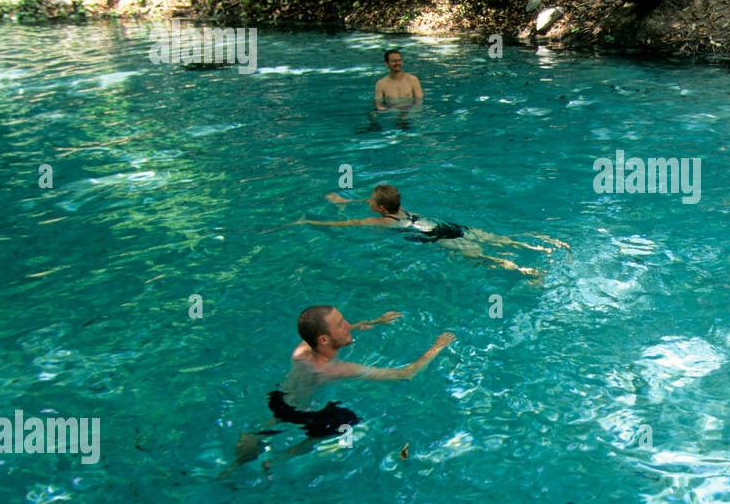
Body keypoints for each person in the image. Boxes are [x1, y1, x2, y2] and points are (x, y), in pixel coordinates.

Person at [222, 306, 454, 476]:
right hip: (312, 414)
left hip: (281, 400)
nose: (347, 325)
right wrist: (437, 347)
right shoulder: (335, 370)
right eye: (341, 324)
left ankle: (235, 465)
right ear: (324, 339)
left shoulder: (302, 350)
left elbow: (328, 334)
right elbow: (407, 374)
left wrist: (375, 320)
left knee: (270, 424)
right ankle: (280, 459)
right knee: (340, 425)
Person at [295, 184, 569, 279]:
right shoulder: (403, 210)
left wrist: (312, 223)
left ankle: (525, 272)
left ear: (379, 208)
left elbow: (349, 225)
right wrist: (348, 201)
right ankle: (540, 247)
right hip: (452, 227)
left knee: (484, 259)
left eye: (370, 201)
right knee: (502, 241)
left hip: (438, 239)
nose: (367, 202)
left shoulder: (384, 222)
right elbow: (371, 203)